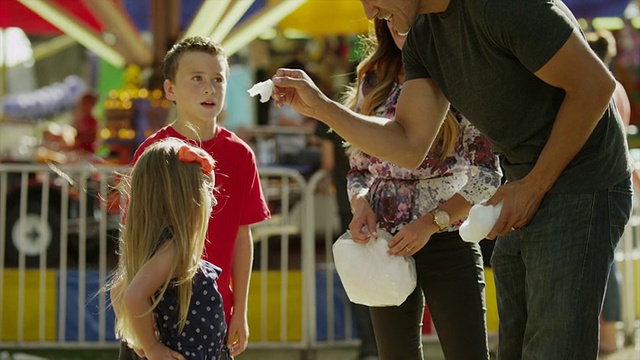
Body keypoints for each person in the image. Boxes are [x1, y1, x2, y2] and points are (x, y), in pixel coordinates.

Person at [271, 1, 633, 358]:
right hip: (521, 184)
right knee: (518, 350)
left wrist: (533, 186)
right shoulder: (423, 37)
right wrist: (320, 107)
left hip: (580, 183)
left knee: (553, 349)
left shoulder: (504, 7)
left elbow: (596, 85)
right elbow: (409, 143)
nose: (370, 13)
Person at [342, 19, 501, 359]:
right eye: (390, 14)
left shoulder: (460, 76)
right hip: (382, 243)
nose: (398, 22)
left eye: (407, 13)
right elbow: (358, 168)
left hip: (449, 240)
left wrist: (431, 223)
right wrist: (360, 205)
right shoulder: (374, 78)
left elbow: (488, 176)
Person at [119, 36, 271, 359]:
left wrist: (240, 309)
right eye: (197, 78)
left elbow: (243, 237)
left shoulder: (241, 155)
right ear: (170, 89)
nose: (209, 88)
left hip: (211, 317)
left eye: (218, 79)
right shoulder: (152, 153)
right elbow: (132, 236)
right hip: (156, 316)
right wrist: (136, 326)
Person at [108, 139, 226, 359]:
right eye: (207, 191)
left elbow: (119, 290)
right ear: (185, 199)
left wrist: (140, 336)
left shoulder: (163, 247)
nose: (214, 202)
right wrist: (152, 347)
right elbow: (133, 296)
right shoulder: (173, 250)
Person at [587, 29, 631, 354]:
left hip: (597, 183)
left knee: (601, 263)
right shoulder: (619, 90)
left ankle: (605, 335)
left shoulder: (596, 87)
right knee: (610, 262)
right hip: (619, 181)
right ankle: (610, 335)